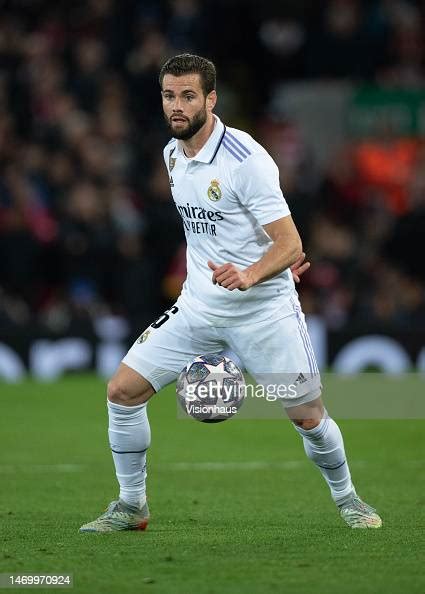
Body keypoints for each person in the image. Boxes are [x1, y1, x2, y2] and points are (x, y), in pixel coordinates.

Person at [79, 54, 382, 532]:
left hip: (263, 313)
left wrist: (254, 272)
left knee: (307, 417)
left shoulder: (247, 160)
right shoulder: (172, 154)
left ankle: (349, 499)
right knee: (122, 391)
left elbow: (291, 243)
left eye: (187, 96)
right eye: (168, 96)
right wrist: (252, 262)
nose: (176, 106)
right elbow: (213, 234)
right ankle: (132, 505)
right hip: (198, 308)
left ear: (211, 99)